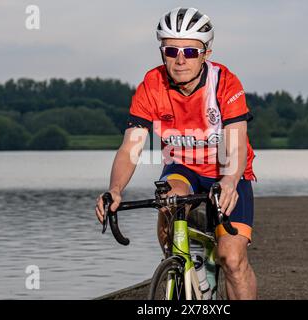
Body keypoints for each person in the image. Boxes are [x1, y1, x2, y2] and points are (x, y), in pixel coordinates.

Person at [95, 7, 257, 300]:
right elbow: (131, 147)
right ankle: (183, 268)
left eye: (190, 52)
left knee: (232, 259)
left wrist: (231, 180)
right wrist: (115, 189)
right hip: (183, 168)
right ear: (162, 53)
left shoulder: (225, 83)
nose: (180, 59)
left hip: (227, 170)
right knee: (166, 200)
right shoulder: (151, 86)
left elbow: (236, 145)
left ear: (206, 53)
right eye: (171, 50)